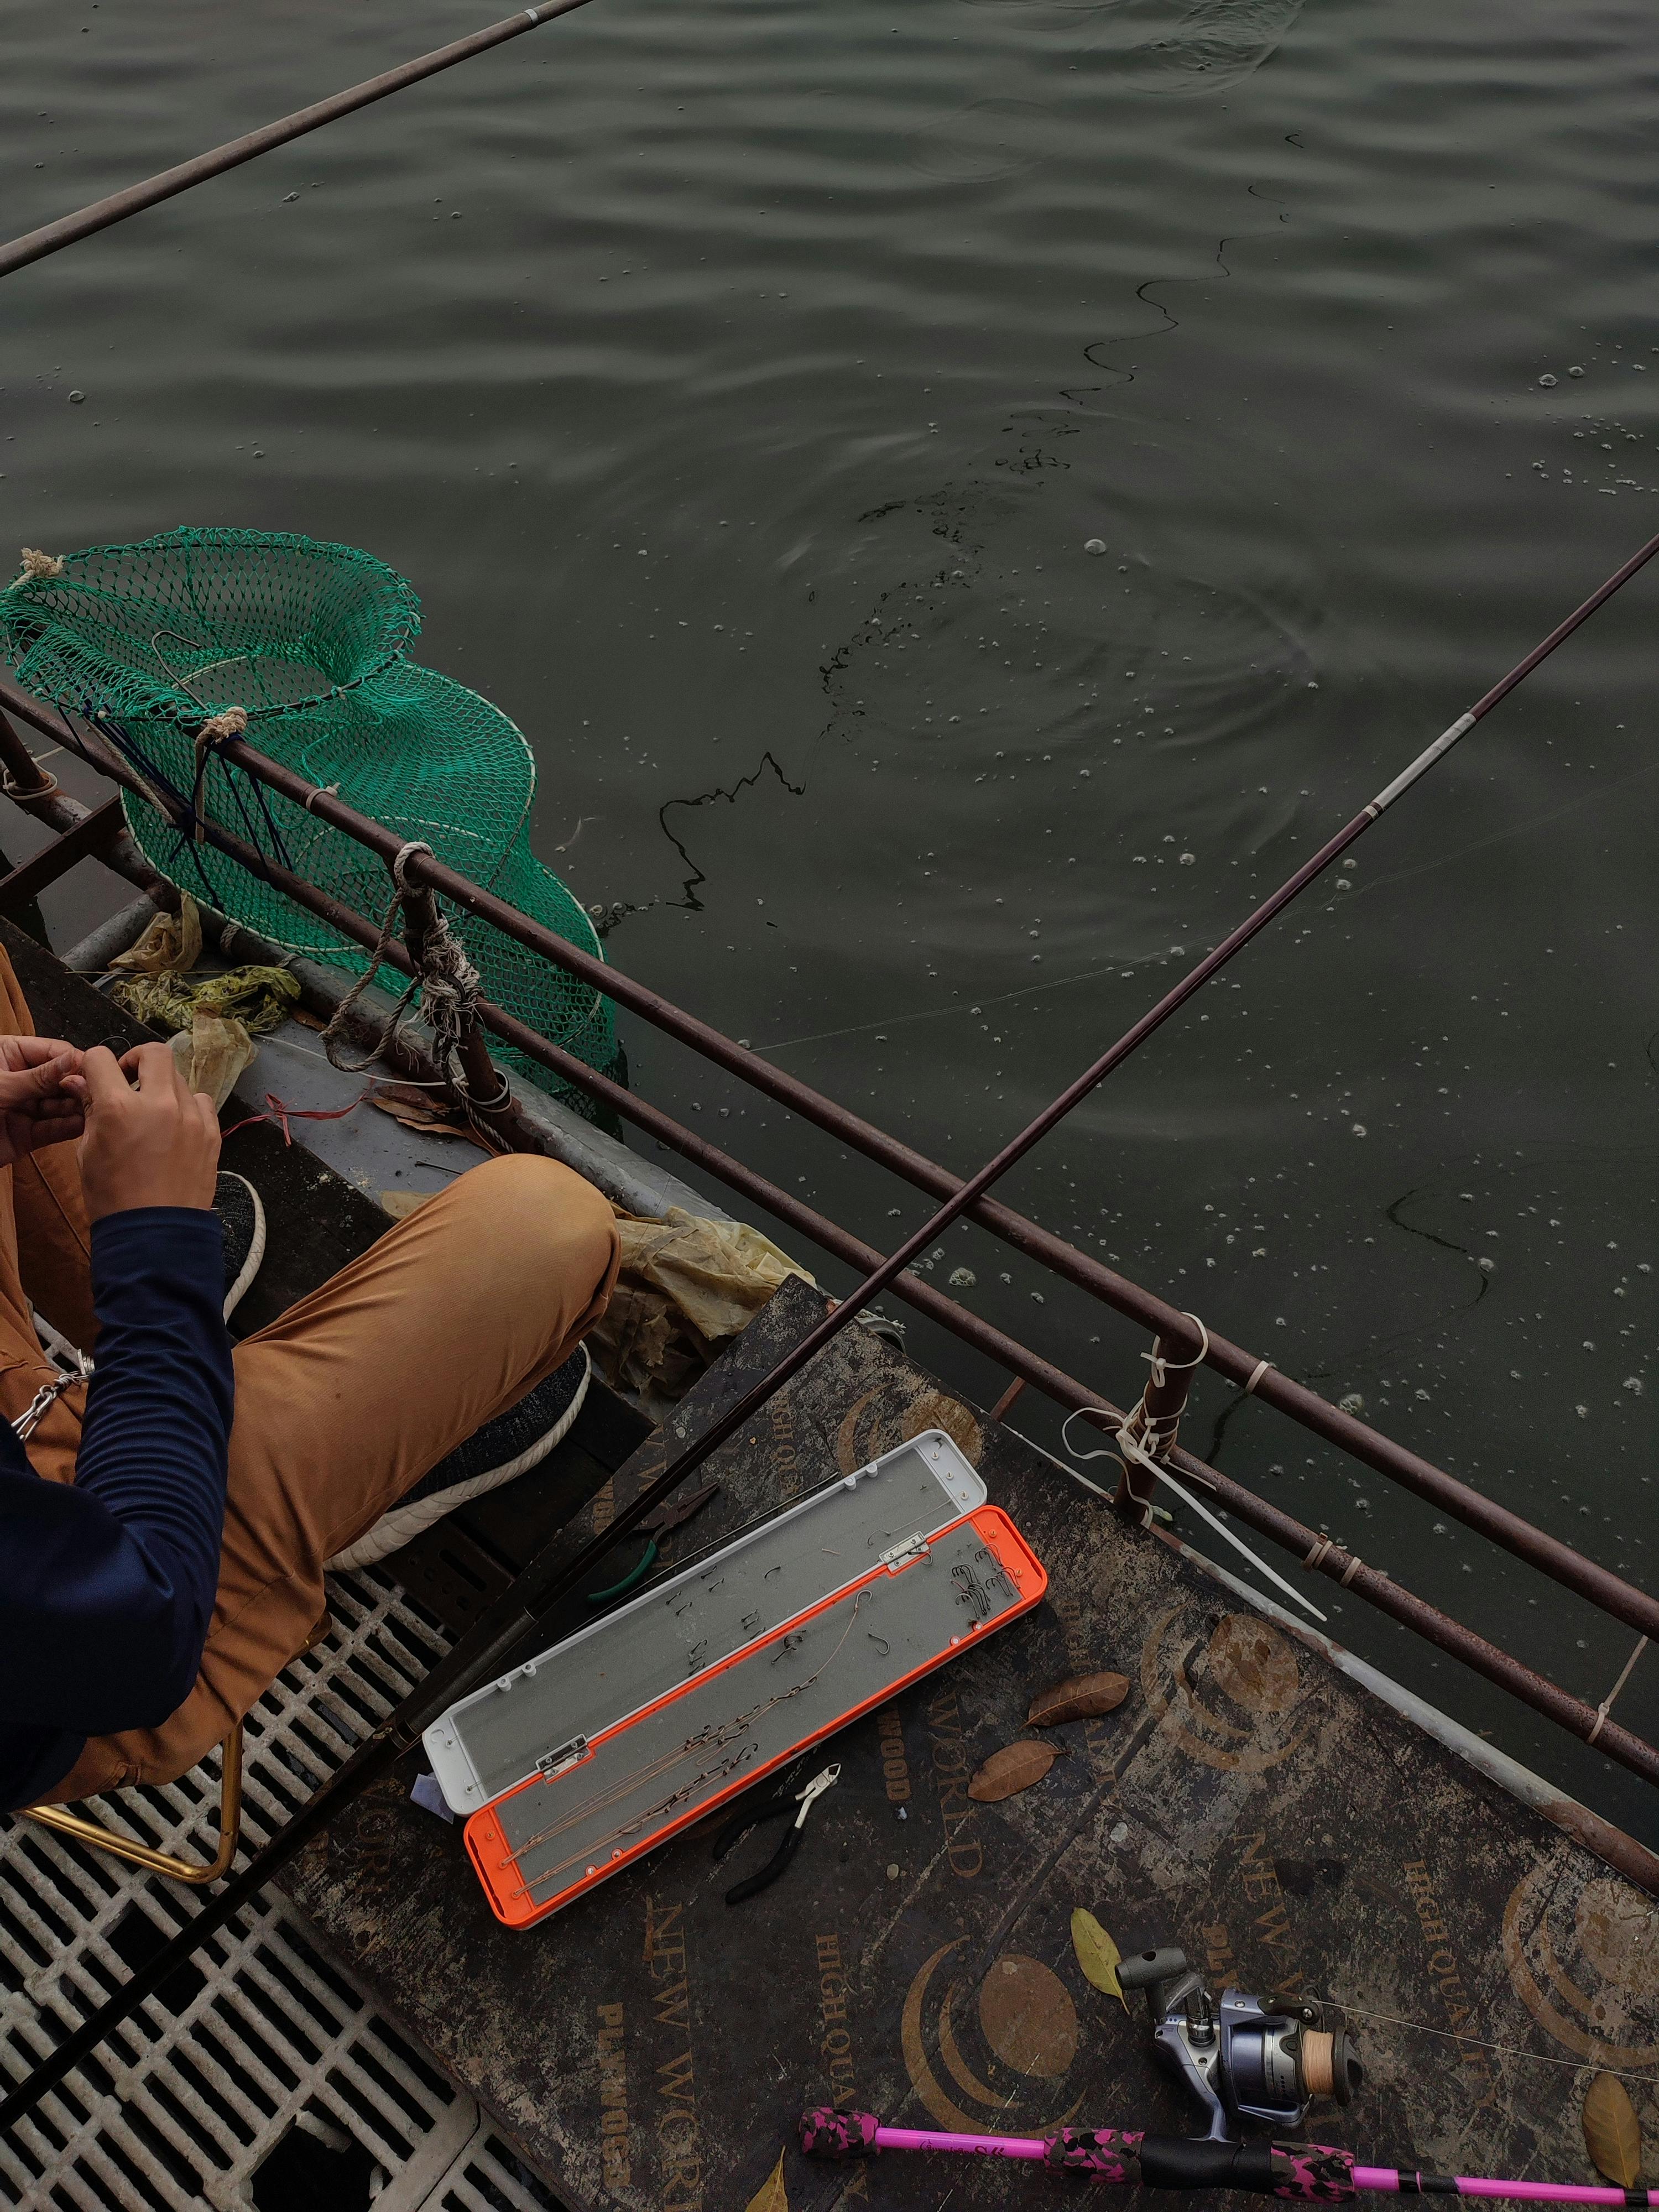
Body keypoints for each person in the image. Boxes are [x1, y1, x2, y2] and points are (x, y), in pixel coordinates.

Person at [0, 943, 618, 1815]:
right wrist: (155, 1252)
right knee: (549, 1226)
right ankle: (355, 1491)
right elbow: (136, 1634)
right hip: (105, 1613)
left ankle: (160, 1346)